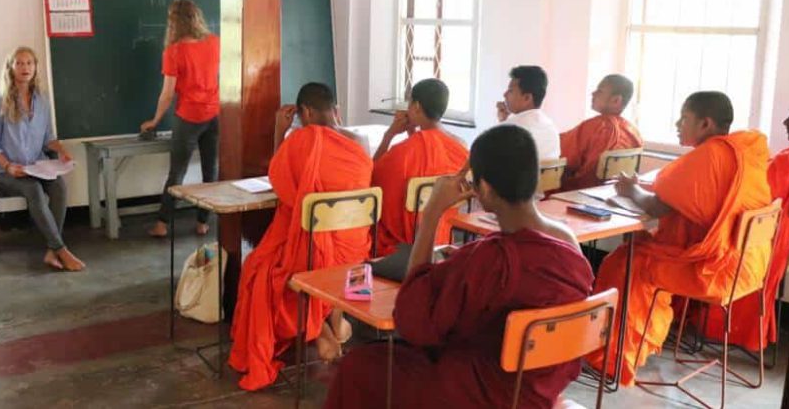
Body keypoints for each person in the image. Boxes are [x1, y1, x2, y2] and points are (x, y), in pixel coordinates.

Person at [324, 125, 592, 408]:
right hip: (538, 388)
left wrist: (431, 215)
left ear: (484, 189)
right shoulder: (568, 242)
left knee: (359, 365)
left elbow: (411, 318)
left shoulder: (492, 258)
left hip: (482, 392)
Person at [585, 91, 771, 385]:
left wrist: (632, 191)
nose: (677, 124)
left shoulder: (711, 157)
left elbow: (658, 205)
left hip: (715, 271)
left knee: (624, 263)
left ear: (705, 124)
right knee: (636, 254)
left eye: (684, 118)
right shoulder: (745, 152)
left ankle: (614, 359)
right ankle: (638, 344)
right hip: (750, 268)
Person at [228, 83, 372, 391]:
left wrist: (280, 132)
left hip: (311, 253)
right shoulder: (360, 143)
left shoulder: (299, 141)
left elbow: (280, 182)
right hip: (356, 254)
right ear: (336, 110)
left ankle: (318, 330)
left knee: (261, 266)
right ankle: (335, 320)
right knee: (324, 255)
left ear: (304, 112)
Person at [0, 47, 83, 271]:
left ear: (36, 68)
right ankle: (61, 249)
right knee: (34, 190)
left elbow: (48, 138)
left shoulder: (42, 101)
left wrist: (61, 150)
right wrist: (8, 166)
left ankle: (51, 251)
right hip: (2, 170)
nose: (25, 68)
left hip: (34, 165)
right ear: (10, 68)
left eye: (29, 63)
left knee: (59, 187)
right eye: (19, 63)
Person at [713, 106, 789, 352]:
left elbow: (759, 195)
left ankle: (717, 329)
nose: (785, 121)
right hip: (780, 235)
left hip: (767, 234)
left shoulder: (787, 159)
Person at [143, 0, 220, 238]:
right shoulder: (214, 43)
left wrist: (154, 121)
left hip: (189, 117)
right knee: (211, 170)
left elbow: (167, 94)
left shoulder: (174, 52)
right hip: (215, 114)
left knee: (177, 172)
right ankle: (202, 223)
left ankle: (163, 224)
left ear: (173, 23)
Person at [371, 79, 469, 256]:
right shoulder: (461, 148)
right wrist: (412, 134)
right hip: (442, 237)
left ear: (416, 106)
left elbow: (372, 178)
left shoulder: (402, 152)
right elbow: (428, 153)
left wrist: (389, 135)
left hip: (405, 244)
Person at [559, 74, 643, 191]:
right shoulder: (634, 132)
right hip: (612, 193)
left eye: (599, 91)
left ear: (616, 100)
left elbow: (560, 155)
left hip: (580, 192)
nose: (593, 94)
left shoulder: (595, 127)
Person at [496, 65, 560, 160]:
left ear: (527, 98)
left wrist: (503, 125)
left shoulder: (511, 128)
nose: (504, 94)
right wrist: (504, 122)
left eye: (510, 91)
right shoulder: (551, 127)